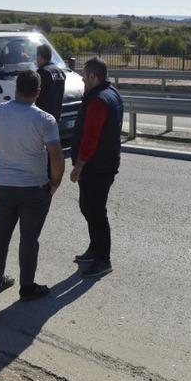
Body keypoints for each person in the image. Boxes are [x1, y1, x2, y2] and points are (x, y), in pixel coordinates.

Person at [0, 70, 65, 301]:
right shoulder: (45, 120)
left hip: (3, 186)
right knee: (29, 239)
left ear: (16, 88)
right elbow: (57, 157)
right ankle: (27, 288)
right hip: (35, 189)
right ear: (38, 92)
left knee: (0, 235)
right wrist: (54, 183)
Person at [70, 57, 123, 277]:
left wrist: (78, 166)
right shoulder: (111, 93)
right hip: (104, 163)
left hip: (96, 167)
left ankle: (103, 259)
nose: (82, 79)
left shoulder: (99, 101)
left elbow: (90, 138)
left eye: (84, 75)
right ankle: (94, 249)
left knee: (96, 211)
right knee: (88, 207)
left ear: (93, 76)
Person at [35, 44, 66, 124]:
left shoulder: (42, 72)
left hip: (43, 118)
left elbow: (36, 96)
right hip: (56, 118)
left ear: (39, 56)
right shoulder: (60, 72)